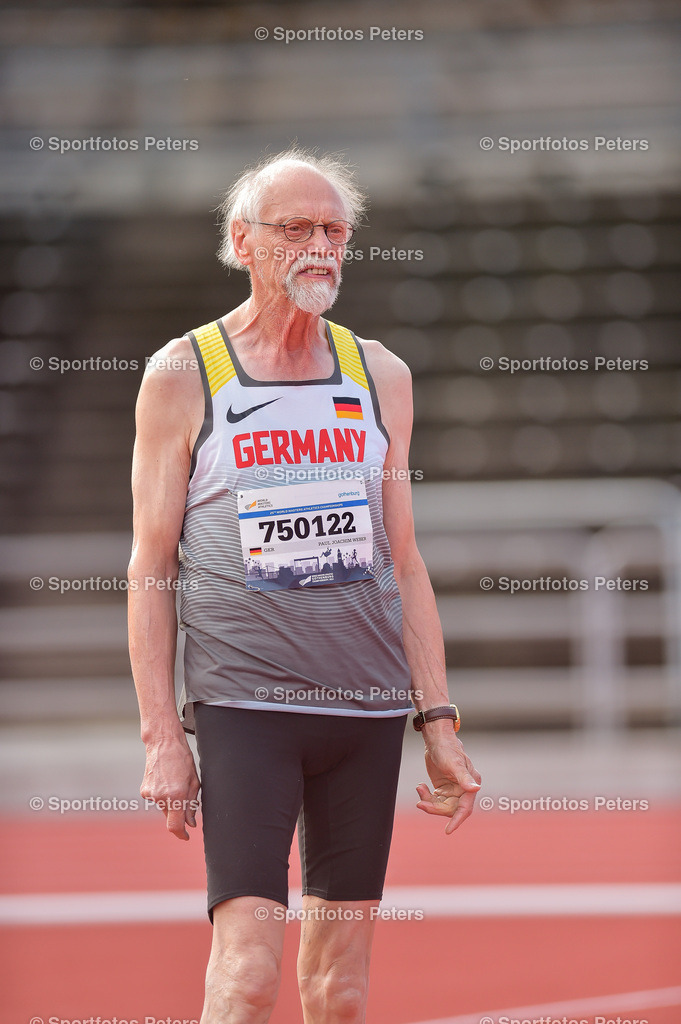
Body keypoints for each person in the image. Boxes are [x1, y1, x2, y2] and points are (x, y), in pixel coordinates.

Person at [128, 148, 481, 1024]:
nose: (320, 247)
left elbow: (403, 560)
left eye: (334, 230)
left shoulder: (379, 374)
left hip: (365, 709)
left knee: (339, 990)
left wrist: (437, 721)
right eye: (296, 229)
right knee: (247, 976)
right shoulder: (184, 373)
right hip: (245, 709)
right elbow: (151, 565)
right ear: (242, 240)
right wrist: (162, 735)